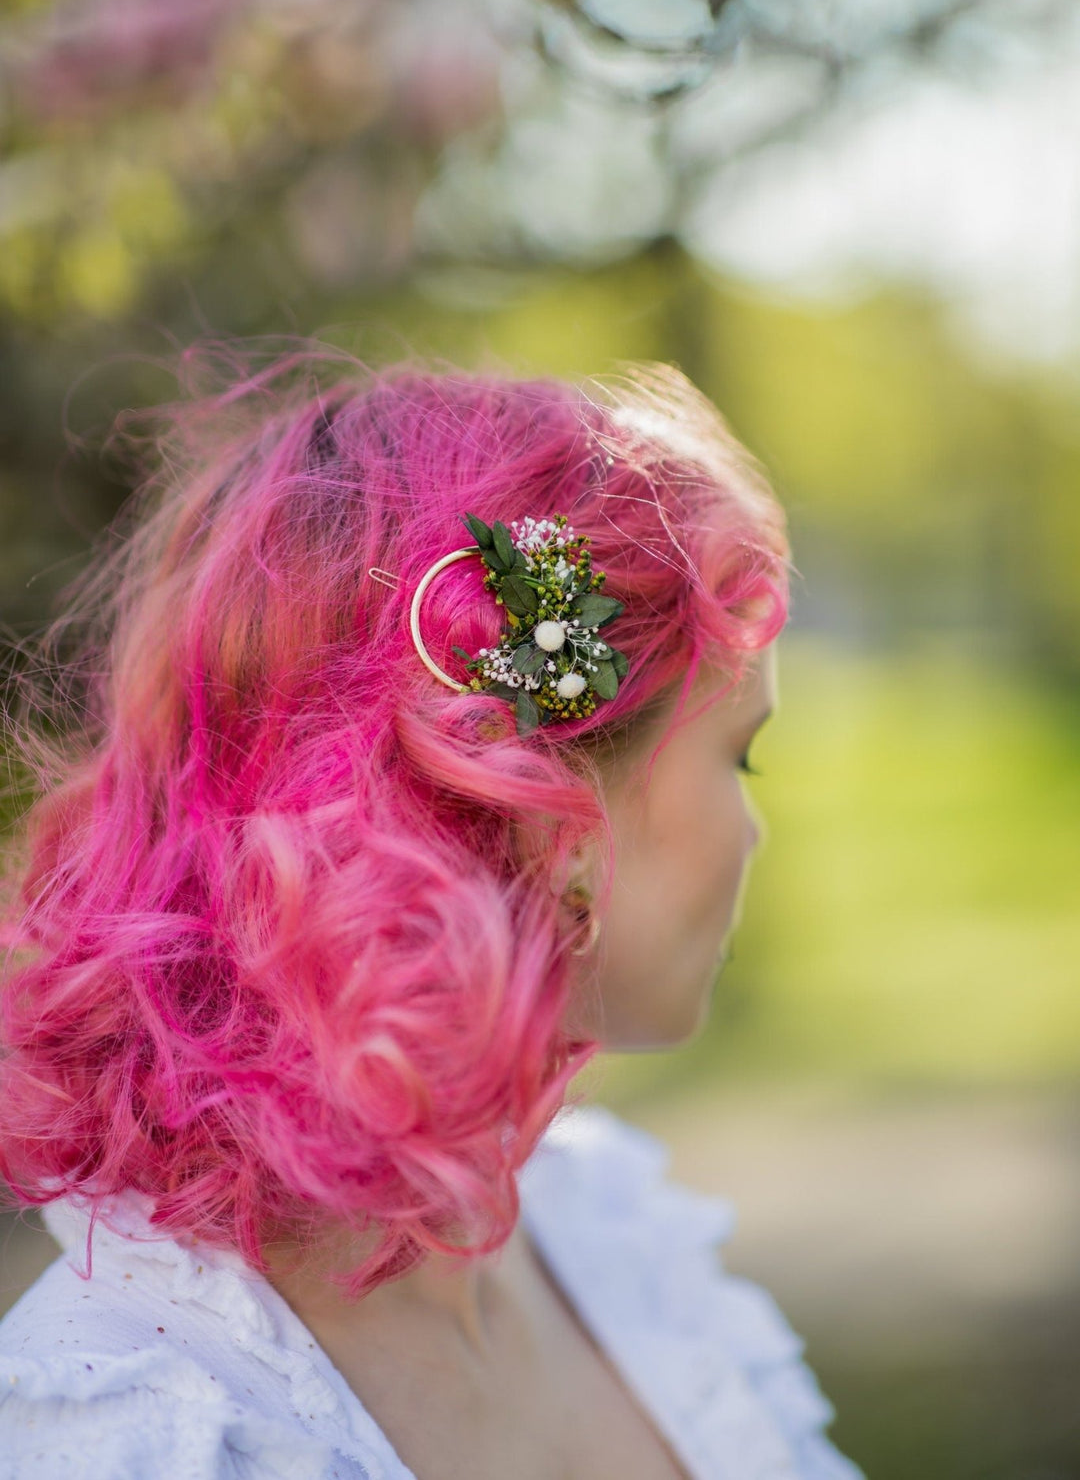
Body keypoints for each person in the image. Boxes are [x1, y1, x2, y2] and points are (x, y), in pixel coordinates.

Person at [0, 350, 865, 1479]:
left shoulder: (608, 1238)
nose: (751, 828)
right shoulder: (143, 1425)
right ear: (544, 816)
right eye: (737, 753)